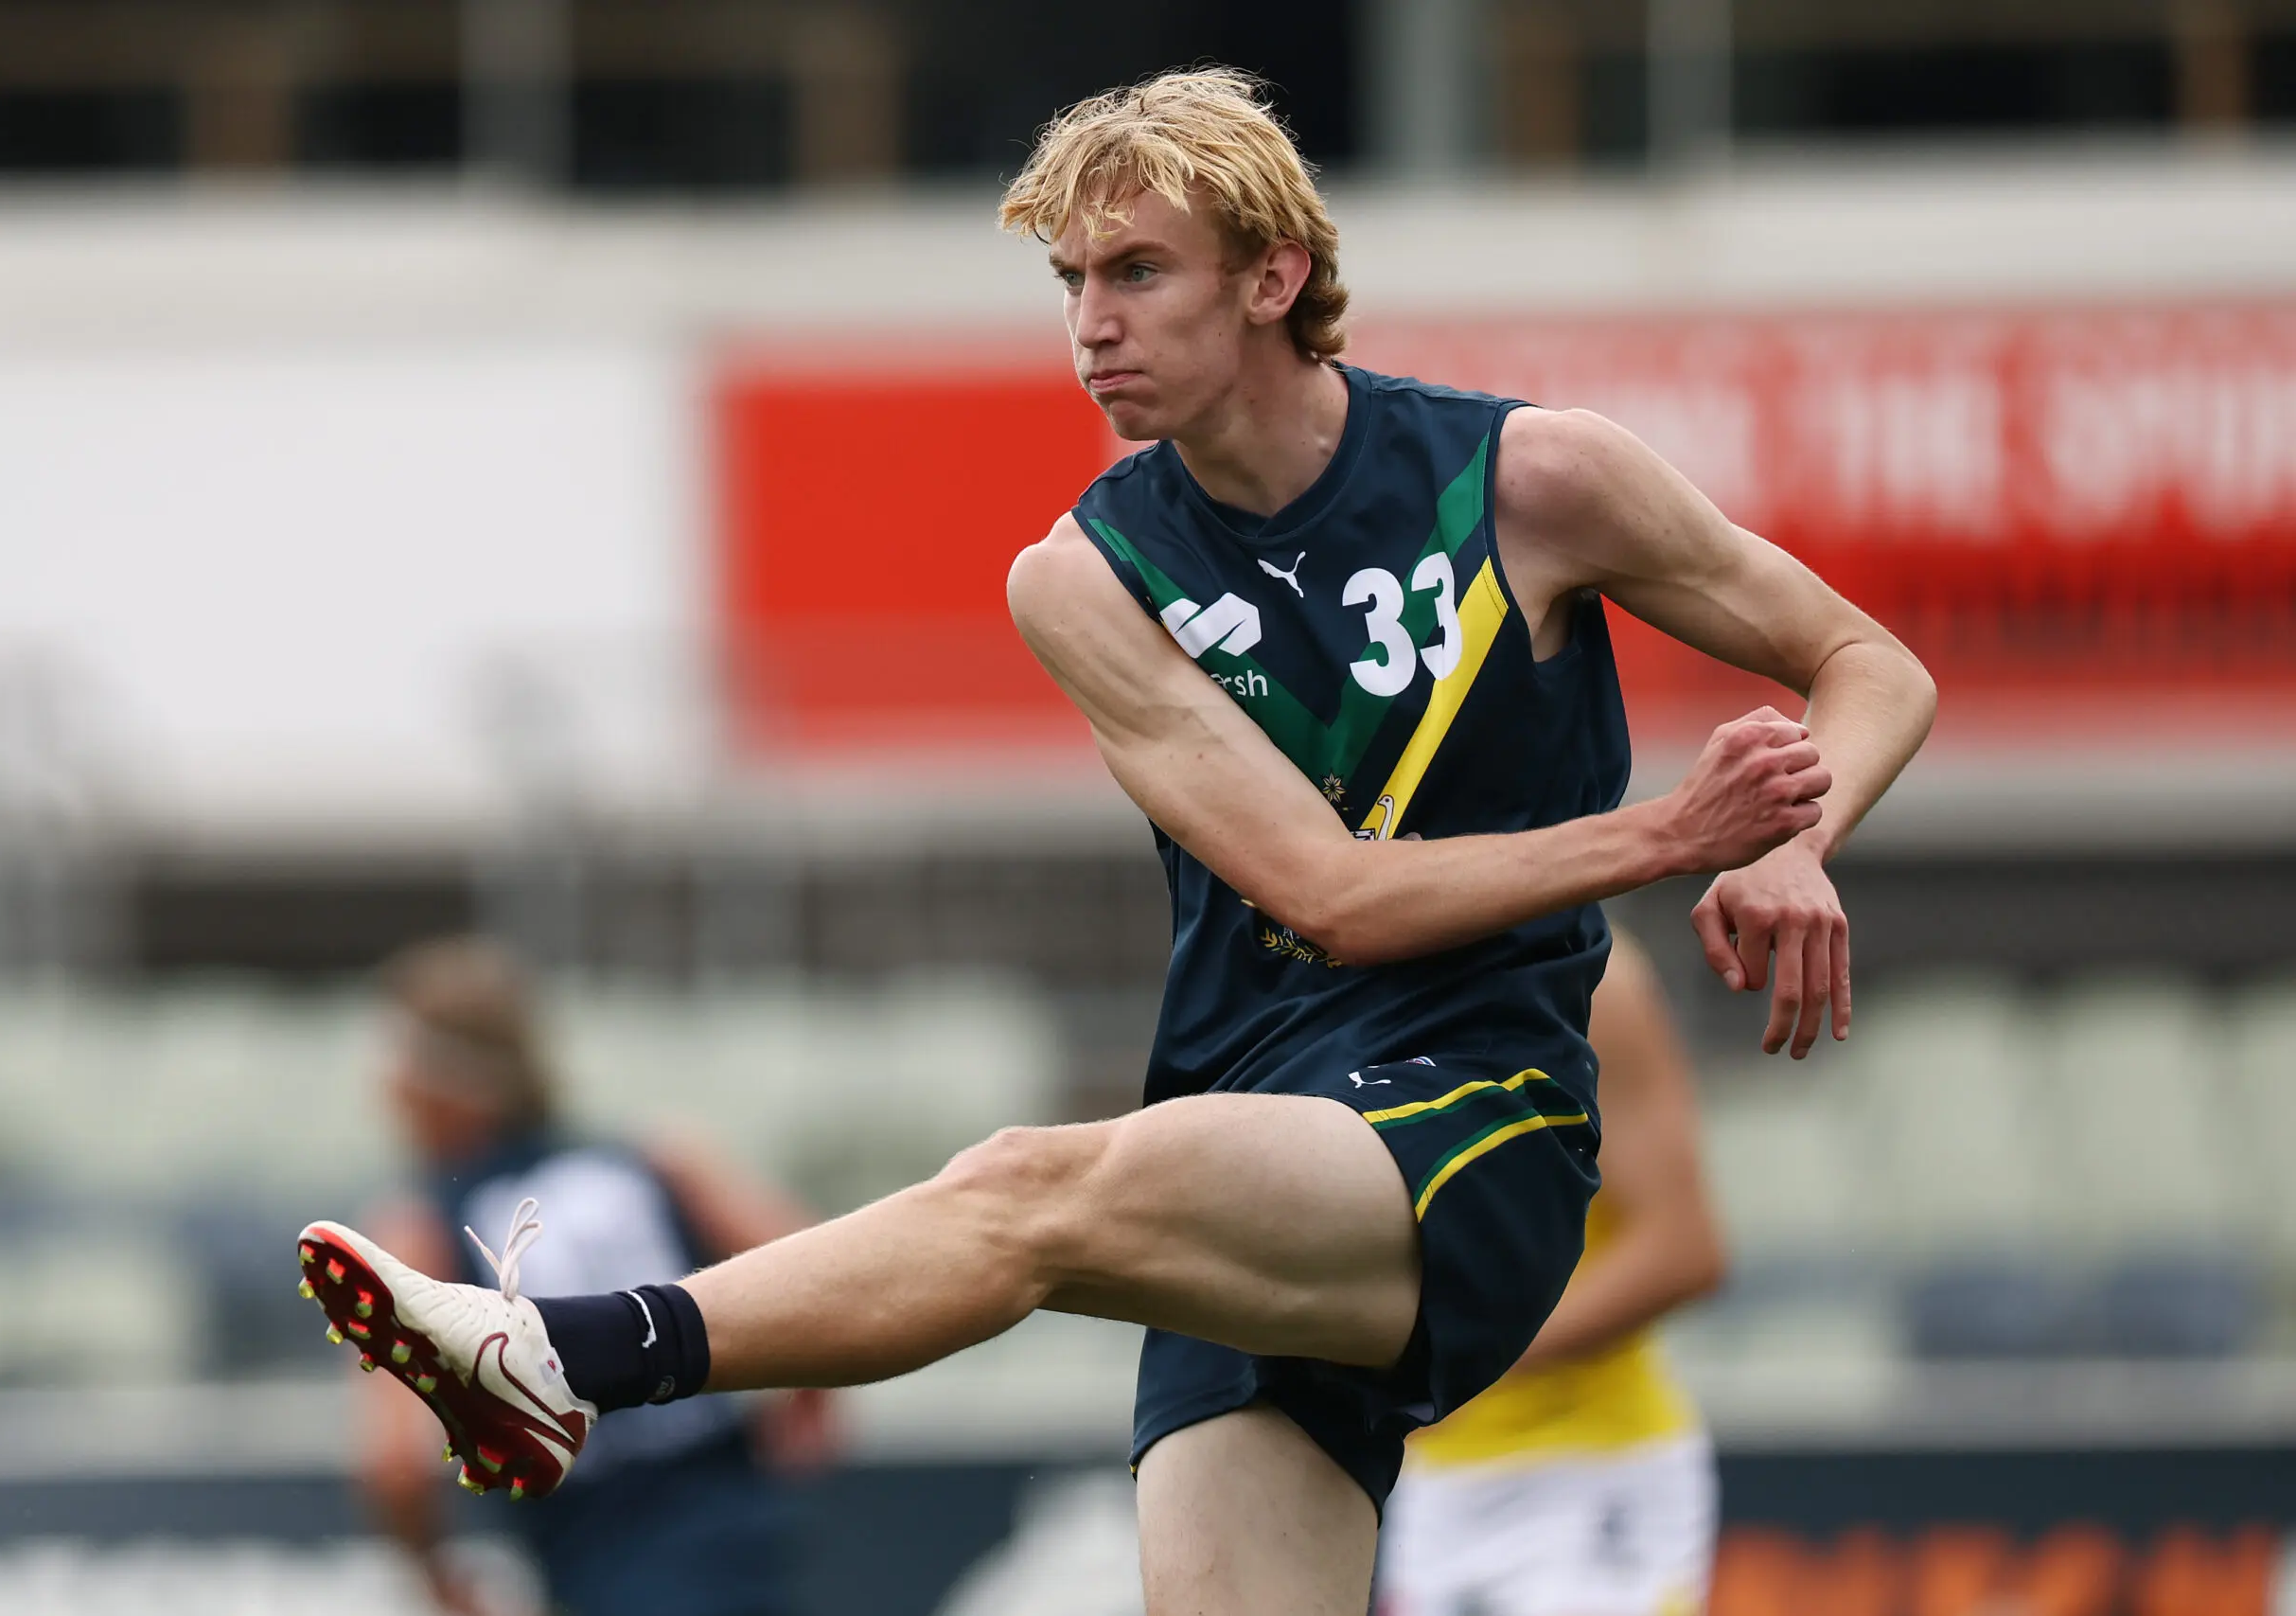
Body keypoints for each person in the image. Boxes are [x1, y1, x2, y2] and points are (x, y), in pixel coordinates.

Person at [291, 68, 1934, 1616]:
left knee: (1022, 1185)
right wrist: (1671, 831)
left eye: (1140, 272)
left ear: (1276, 274)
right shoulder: (1081, 575)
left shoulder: (1533, 477)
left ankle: (560, 1356)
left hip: (1465, 1123)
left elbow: (1870, 666)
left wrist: (1796, 838)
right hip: (1244, 1144)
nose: (1093, 324)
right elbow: (1331, 895)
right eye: (1072, 280)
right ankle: (553, 1367)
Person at [344, 936, 828, 1616]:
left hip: (599, 1547)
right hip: (731, 1523)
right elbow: (819, 1272)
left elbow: (394, 1463)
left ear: (435, 1082)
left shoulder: (420, 1228)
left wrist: (435, 1575)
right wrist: (811, 1398)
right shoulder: (658, 1159)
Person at [1379, 932, 1725, 1616]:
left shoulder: (1589, 971)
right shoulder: (1370, 964)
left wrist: (1465, 1359)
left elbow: (1686, 1246)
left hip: (1590, 1470)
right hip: (1437, 1482)